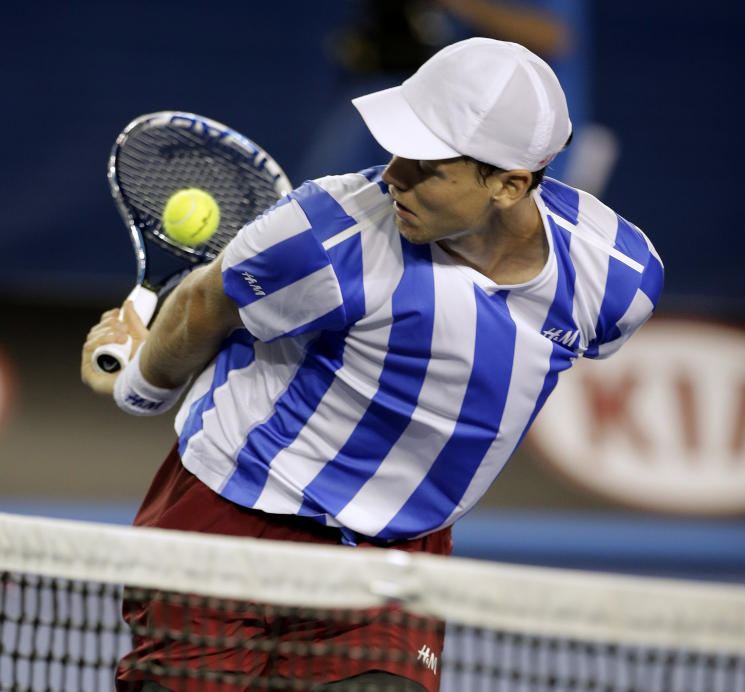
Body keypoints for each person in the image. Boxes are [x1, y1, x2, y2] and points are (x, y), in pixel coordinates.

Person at [81, 37, 663, 692]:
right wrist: (139, 387)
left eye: (428, 166)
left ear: (510, 184)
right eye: (397, 150)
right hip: (231, 516)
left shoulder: (617, 279)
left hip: (395, 554)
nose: (393, 175)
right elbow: (202, 303)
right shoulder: (326, 233)